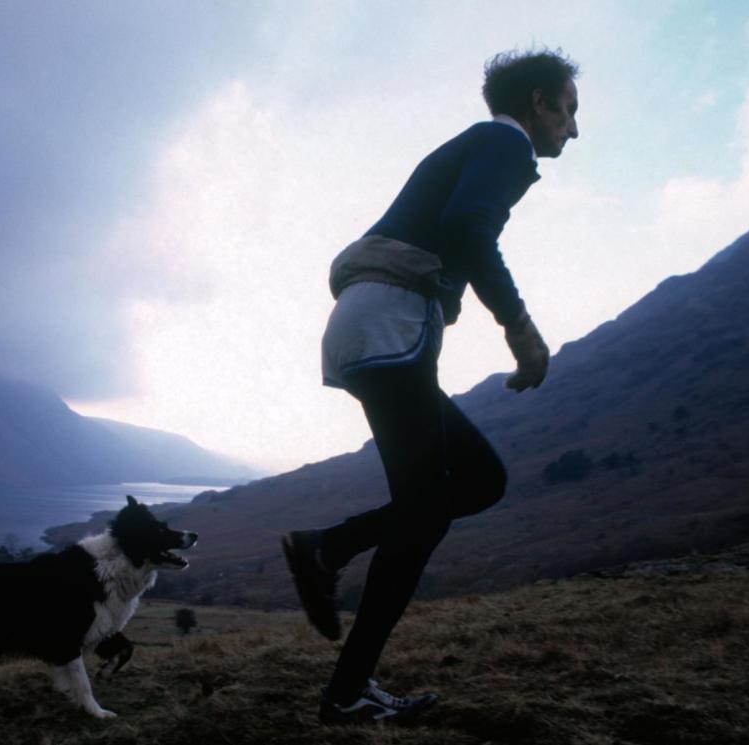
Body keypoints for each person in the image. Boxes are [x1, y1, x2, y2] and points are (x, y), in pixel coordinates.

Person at [282, 48, 579, 725]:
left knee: (477, 479)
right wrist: (521, 329)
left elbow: (455, 228)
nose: (573, 128)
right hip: (389, 324)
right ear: (538, 102)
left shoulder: (480, 145)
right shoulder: (503, 141)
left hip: (373, 324)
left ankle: (326, 547)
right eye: (568, 109)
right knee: (427, 509)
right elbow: (469, 227)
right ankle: (348, 687)